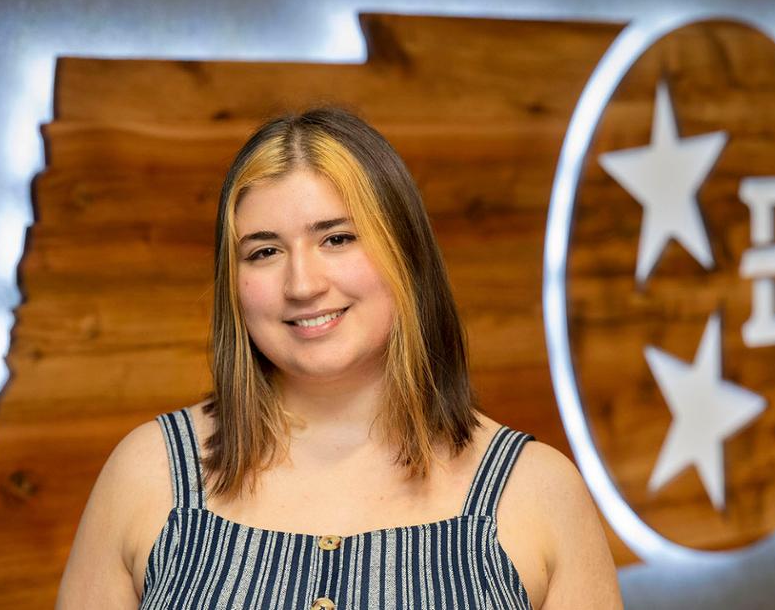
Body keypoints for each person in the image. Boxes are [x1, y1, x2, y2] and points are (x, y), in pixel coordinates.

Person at [57, 108, 621, 609]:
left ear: (407, 254)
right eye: (265, 251)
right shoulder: (147, 474)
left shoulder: (538, 492)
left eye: (337, 239)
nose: (302, 284)